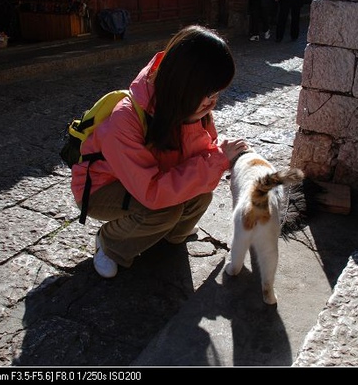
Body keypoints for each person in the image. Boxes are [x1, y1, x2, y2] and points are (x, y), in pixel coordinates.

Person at [71, 25, 249, 278]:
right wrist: (217, 159)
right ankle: (111, 243)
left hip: (146, 181)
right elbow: (152, 192)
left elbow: (200, 156)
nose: (212, 102)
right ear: (182, 86)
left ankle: (168, 236)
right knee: (164, 210)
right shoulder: (126, 118)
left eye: (216, 93)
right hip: (101, 187)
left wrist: (216, 149)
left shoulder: (193, 110)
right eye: (206, 93)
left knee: (200, 196)